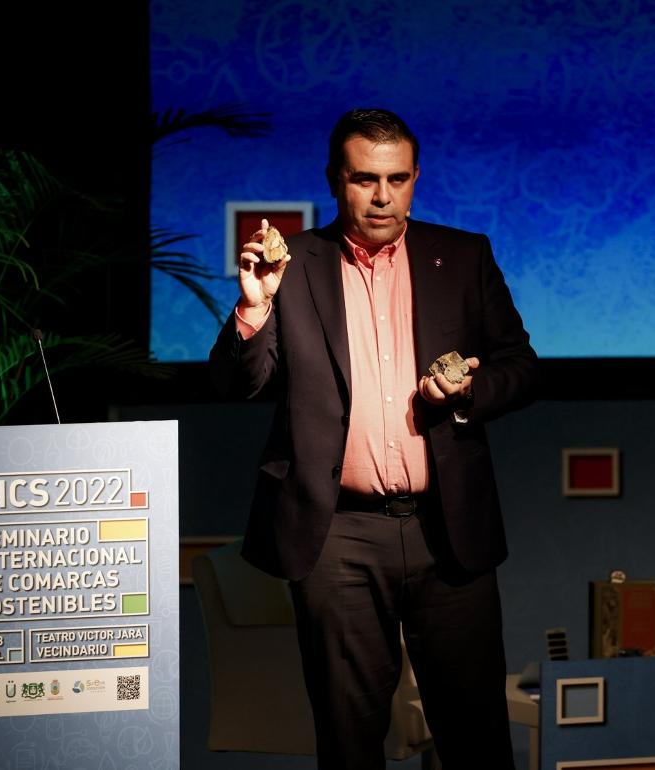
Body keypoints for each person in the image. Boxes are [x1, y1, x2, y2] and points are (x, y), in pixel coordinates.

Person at [208, 108, 537, 769]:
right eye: (365, 179)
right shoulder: (293, 262)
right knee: (350, 740)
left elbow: (520, 367)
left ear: (415, 179)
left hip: (447, 527)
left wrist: (466, 393)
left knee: (476, 737)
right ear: (337, 179)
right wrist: (255, 306)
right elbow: (240, 383)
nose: (383, 196)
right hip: (337, 535)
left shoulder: (462, 256)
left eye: (397, 179)